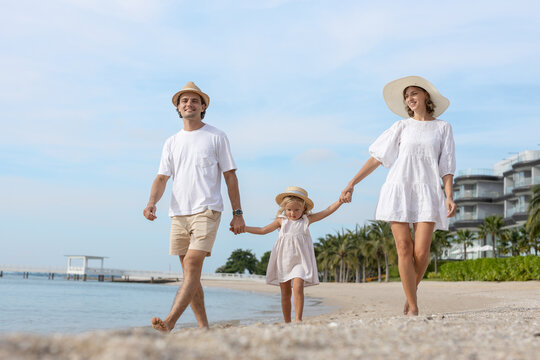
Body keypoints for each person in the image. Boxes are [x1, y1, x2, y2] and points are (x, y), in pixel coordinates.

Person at [340, 76, 456, 316]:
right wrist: (352, 182)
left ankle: (409, 294)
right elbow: (378, 158)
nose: (410, 98)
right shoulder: (401, 126)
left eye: (414, 93)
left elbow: (446, 166)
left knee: (421, 253)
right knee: (404, 247)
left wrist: (449, 195)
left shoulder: (443, 127)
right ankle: (413, 306)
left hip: (428, 191)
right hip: (399, 188)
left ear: (426, 95)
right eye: (406, 95)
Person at [143, 81, 245, 332]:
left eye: (195, 101)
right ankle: (203, 327)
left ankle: (169, 322)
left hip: (207, 209)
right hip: (178, 213)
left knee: (191, 265)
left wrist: (238, 213)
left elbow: (230, 175)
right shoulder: (171, 142)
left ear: (203, 107)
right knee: (192, 275)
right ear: (178, 107)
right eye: (184, 101)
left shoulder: (216, 136)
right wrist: (151, 202)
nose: (189, 104)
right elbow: (162, 177)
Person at [243, 186, 343, 323]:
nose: (292, 213)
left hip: (300, 262)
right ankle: (287, 322)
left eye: (296, 210)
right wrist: (244, 229)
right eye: (289, 210)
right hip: (283, 261)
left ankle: (298, 319)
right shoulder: (281, 221)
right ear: (284, 209)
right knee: (285, 293)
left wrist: (340, 201)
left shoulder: (306, 220)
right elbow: (262, 230)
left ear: (304, 209)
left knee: (298, 287)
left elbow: (327, 211)